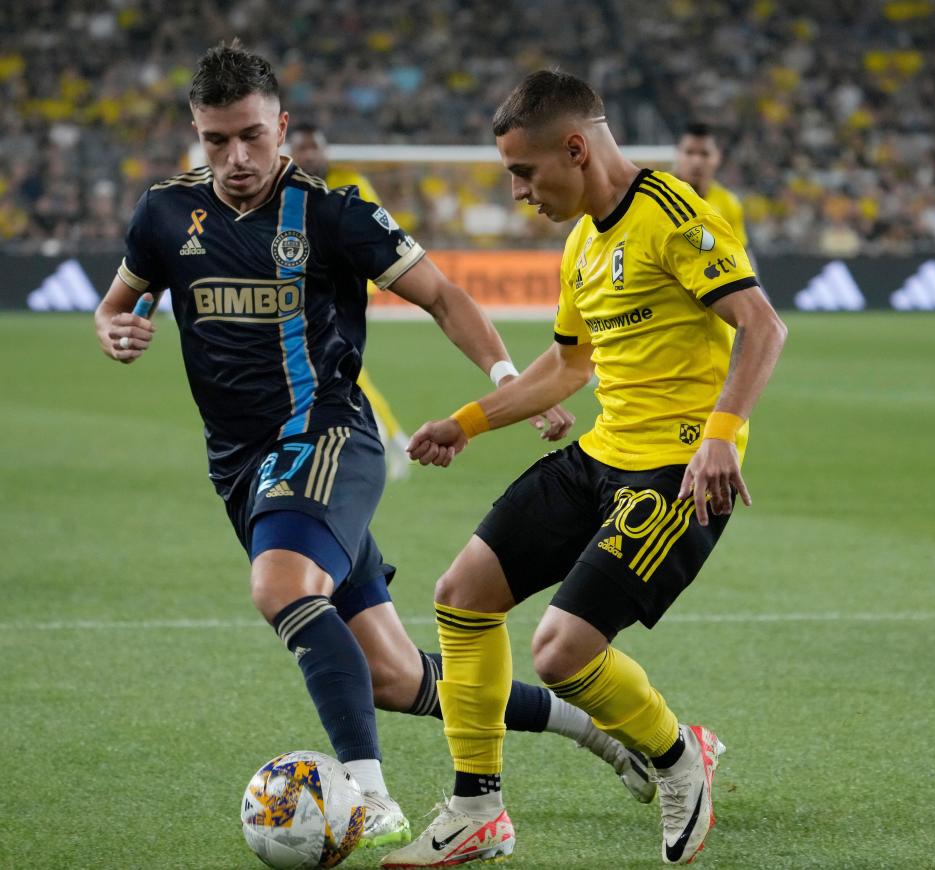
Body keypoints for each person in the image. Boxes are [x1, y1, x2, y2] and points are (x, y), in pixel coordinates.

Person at [93, 46, 658, 851]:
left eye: (252, 136)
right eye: (216, 141)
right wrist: (112, 327)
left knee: (280, 585)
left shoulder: (333, 214)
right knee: (394, 678)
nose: (237, 158)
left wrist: (504, 379)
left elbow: (443, 294)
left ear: (281, 127)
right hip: (242, 469)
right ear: (196, 135)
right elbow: (117, 302)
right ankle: (598, 733)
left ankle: (366, 794)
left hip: (325, 437)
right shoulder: (162, 215)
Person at [383, 71, 787, 867]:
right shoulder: (582, 242)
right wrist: (466, 422)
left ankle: (679, 760)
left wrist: (722, 433)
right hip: (601, 457)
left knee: (561, 652)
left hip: (677, 473)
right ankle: (476, 810)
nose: (517, 192)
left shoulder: (673, 215)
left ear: (575, 147)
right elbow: (569, 368)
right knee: (462, 595)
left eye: (524, 173)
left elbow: (762, 326)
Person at [288, 123, 411, 481]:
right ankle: (383, 438)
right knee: (341, 369)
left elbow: (375, 229)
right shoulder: (284, 189)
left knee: (338, 365)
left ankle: (383, 438)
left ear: (325, 151)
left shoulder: (350, 182)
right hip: (305, 293)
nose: (309, 155)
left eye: (314, 148)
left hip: (342, 292)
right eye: (302, 149)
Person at [674, 121, 749, 250]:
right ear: (677, 154)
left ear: (717, 157)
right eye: (689, 153)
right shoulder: (656, 197)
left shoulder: (728, 203)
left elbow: (741, 253)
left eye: (704, 154)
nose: (696, 161)